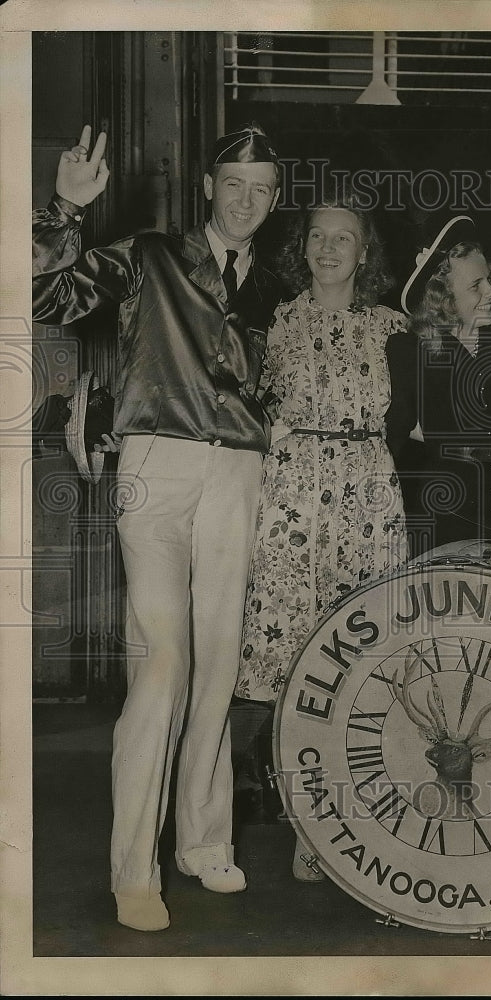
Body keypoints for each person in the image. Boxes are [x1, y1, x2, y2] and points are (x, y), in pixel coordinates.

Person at [32, 123, 283, 931]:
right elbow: (47, 294)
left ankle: (204, 843)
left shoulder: (275, 287)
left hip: (239, 471)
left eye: (263, 189)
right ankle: (133, 868)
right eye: (234, 185)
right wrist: (64, 210)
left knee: (220, 656)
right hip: (158, 465)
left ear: (275, 199)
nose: (246, 202)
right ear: (208, 186)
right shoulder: (150, 254)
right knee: (163, 661)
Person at [235, 195, 412, 878]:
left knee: (358, 668)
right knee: (292, 676)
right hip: (291, 506)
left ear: (365, 251)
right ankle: (307, 824)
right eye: (318, 237)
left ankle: (350, 826)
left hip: (367, 504)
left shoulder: (393, 326)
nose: (330, 249)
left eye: (345, 238)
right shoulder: (270, 323)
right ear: (301, 247)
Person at [393, 215, 491, 556]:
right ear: (442, 296)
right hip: (447, 507)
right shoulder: (410, 351)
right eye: (476, 285)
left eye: (489, 279)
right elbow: (395, 432)